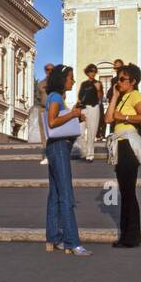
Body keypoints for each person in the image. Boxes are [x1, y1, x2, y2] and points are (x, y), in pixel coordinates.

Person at [104, 63, 141, 248]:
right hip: (119, 145)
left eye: (123, 79)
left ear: (133, 81)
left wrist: (123, 118)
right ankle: (128, 236)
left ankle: (131, 237)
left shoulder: (135, 96)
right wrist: (115, 96)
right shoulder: (122, 97)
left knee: (129, 192)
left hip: (129, 146)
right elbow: (108, 118)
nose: (119, 82)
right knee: (125, 192)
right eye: (117, 78)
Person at [43, 65, 89, 256]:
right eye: (71, 78)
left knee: (55, 194)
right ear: (62, 80)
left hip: (54, 147)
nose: (73, 81)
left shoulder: (54, 97)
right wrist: (72, 114)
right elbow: (52, 122)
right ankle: (72, 241)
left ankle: (53, 238)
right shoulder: (55, 97)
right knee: (66, 195)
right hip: (59, 147)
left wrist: (73, 118)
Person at [75, 64, 103, 163]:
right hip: (83, 108)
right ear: (87, 72)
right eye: (91, 71)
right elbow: (79, 97)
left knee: (92, 132)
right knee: (80, 132)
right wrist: (79, 109)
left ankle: (90, 155)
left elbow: (100, 99)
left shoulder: (98, 83)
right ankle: (84, 152)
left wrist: (98, 89)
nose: (93, 73)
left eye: (94, 71)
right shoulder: (84, 84)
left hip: (94, 108)